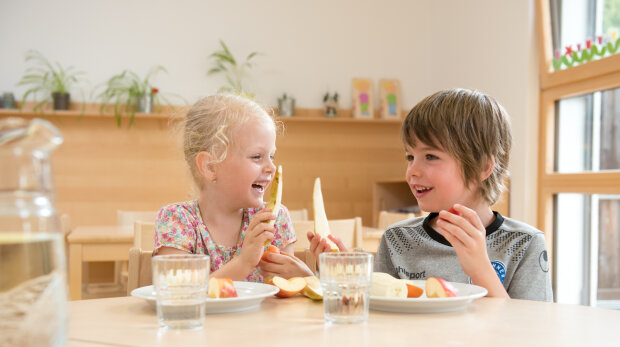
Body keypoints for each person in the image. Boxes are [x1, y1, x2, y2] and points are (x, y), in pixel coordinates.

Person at [310, 89, 552, 301]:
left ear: (482, 167)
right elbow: (379, 318)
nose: (412, 171)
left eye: (431, 157)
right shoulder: (398, 240)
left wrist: (480, 269)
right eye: (410, 157)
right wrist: (345, 275)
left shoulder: (524, 244)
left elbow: (529, 334)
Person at [154, 93, 313, 282]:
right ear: (210, 167)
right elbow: (177, 293)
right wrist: (244, 262)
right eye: (256, 157)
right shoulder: (178, 220)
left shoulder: (273, 219)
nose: (271, 168)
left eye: (272, 156)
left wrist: (306, 278)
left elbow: (284, 294)